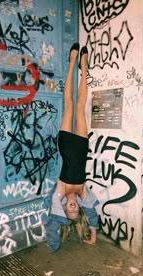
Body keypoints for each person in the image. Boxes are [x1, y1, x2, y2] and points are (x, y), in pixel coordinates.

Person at [45, 43, 99, 253]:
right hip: (82, 146)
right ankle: (84, 65)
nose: (74, 210)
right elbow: (92, 213)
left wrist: (54, 243)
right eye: (77, 212)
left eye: (70, 212)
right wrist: (93, 235)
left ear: (65, 209)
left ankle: (71, 63)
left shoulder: (62, 190)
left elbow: (53, 220)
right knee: (81, 105)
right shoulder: (82, 192)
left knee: (69, 103)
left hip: (67, 144)